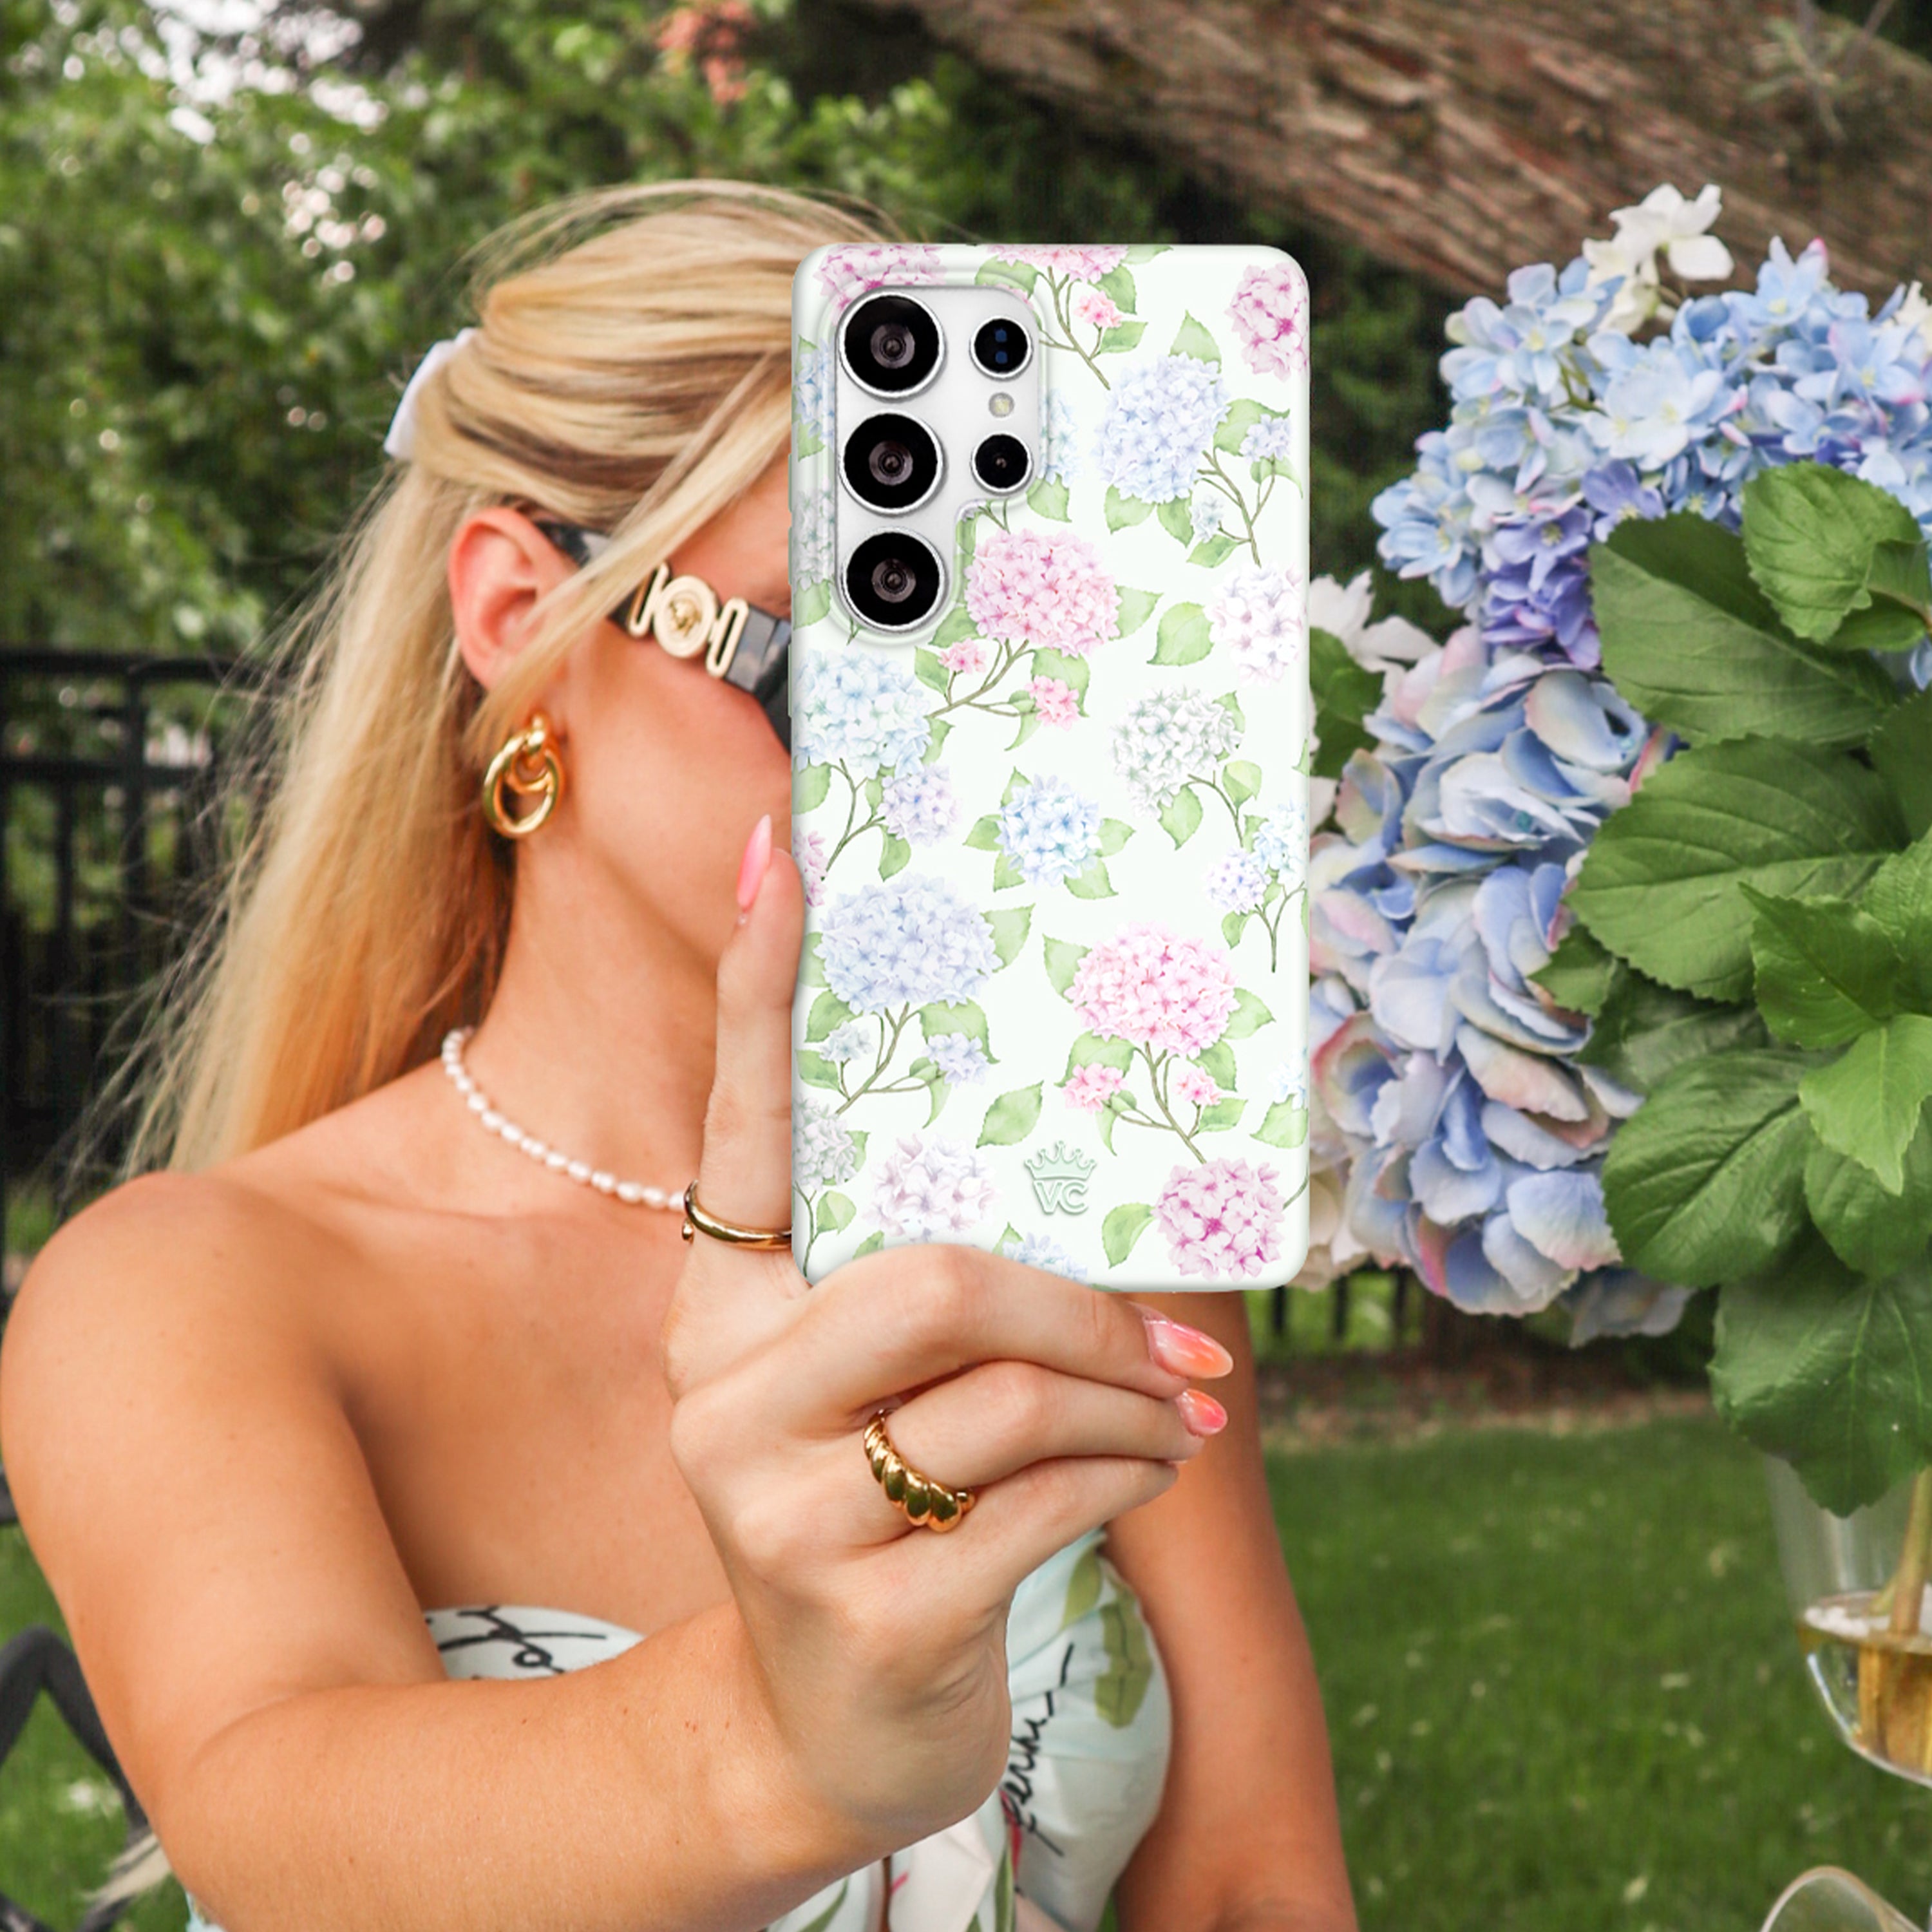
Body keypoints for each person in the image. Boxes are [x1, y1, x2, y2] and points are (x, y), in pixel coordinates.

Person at [0, 181, 1355, 1932]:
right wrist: (785, 1749)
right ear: (519, 615)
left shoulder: (1062, 1190)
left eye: (1011, 679)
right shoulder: (192, 1287)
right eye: (852, 660)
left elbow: (1247, 1883)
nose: (947, 776)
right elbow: (284, 1835)